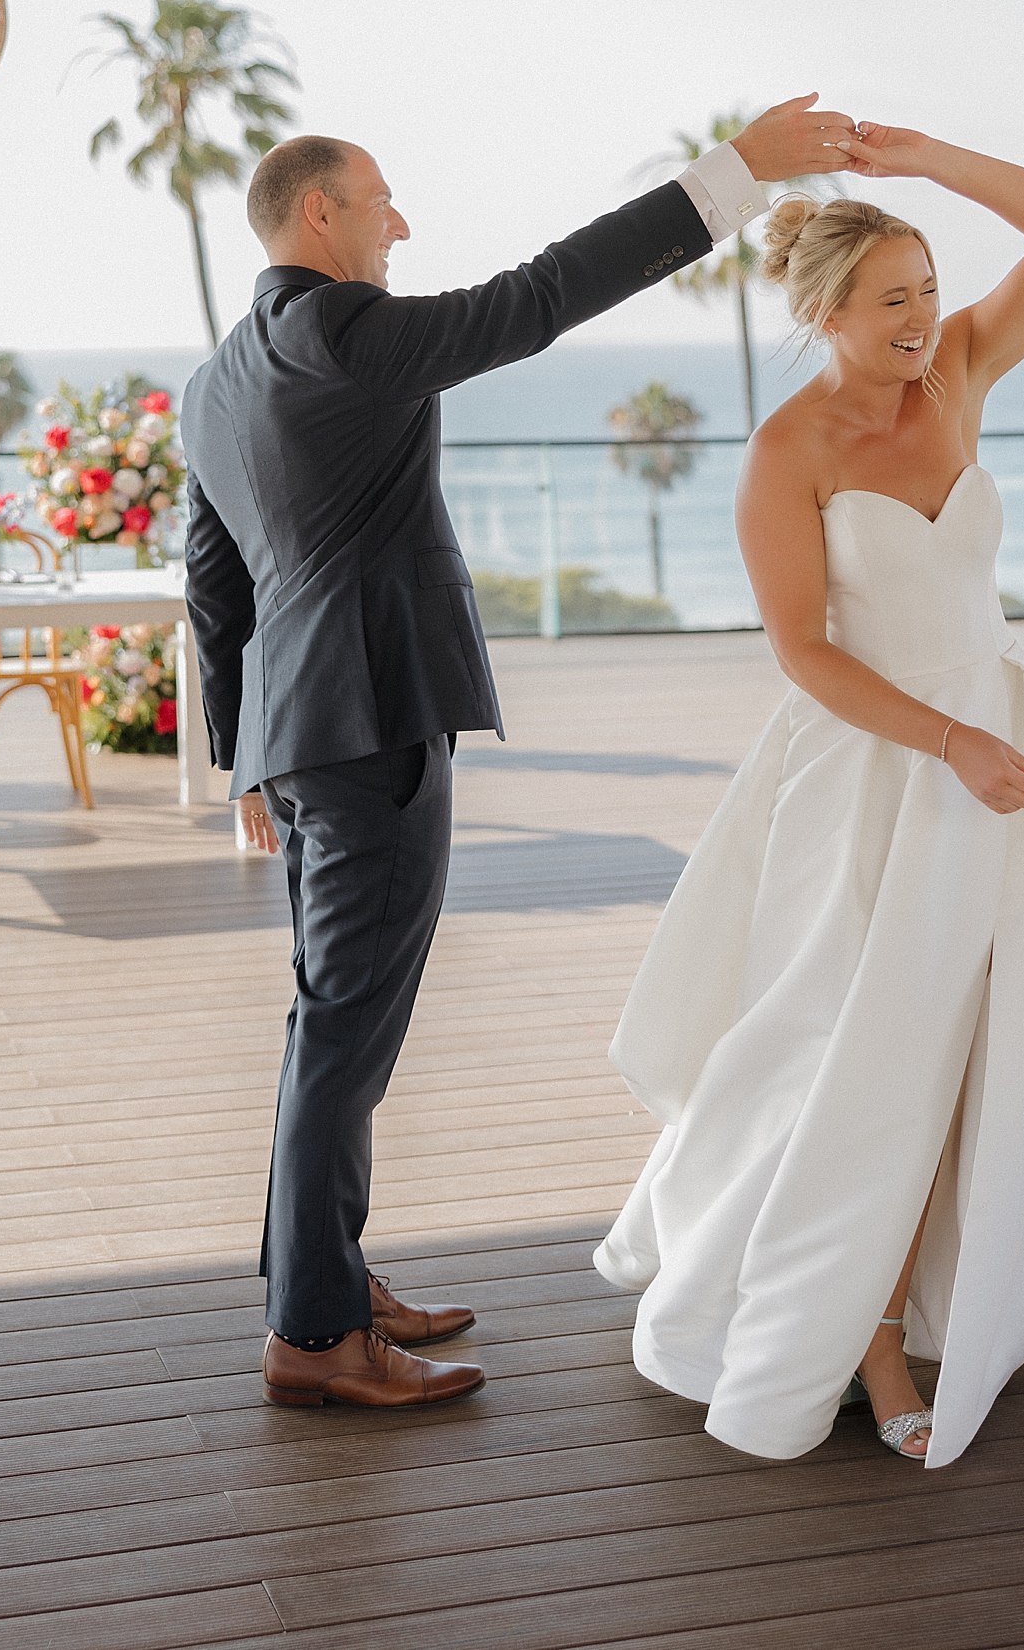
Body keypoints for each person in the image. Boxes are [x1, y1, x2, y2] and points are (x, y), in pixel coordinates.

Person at [180, 101, 855, 1408]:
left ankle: (320, 1277)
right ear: (318, 214)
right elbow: (540, 297)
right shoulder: (345, 330)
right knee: (342, 1031)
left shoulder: (218, 377)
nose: (402, 224)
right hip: (374, 722)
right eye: (382, 200)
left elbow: (213, 586)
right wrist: (730, 179)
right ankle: (314, 1336)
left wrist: (243, 754)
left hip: (305, 736)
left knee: (330, 1023)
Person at [595, 120, 1024, 1467]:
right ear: (828, 311)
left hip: (1003, 745)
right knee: (857, 1046)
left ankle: (931, 1286)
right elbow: (804, 650)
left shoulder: (959, 373)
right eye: (893, 299)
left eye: (932, 288)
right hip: (877, 767)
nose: (923, 317)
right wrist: (946, 741)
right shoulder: (790, 450)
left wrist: (926, 161)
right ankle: (869, 1329)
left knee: (986, 1028)